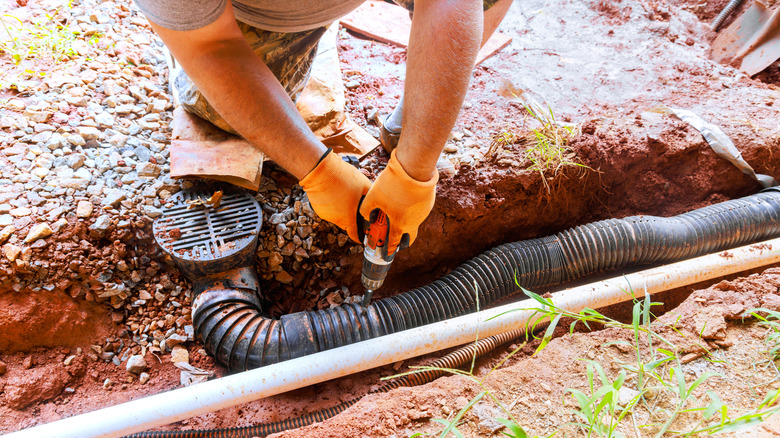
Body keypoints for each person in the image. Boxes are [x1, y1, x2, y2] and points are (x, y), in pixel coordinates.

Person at [135, 0, 512, 254]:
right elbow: (210, 46)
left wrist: (415, 167)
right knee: (219, 111)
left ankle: (406, 121)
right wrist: (318, 172)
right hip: (265, 11)